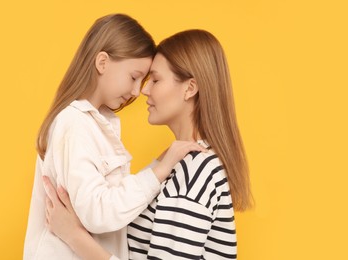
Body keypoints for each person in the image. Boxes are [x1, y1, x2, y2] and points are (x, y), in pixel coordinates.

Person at [43, 29, 253, 259]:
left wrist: (74, 236)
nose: (143, 90)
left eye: (155, 80)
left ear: (189, 88)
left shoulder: (194, 172)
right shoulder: (176, 162)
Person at [24, 14, 205, 260]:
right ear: (102, 62)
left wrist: (158, 165)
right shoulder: (74, 124)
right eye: (134, 77)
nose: (135, 91)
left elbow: (109, 198)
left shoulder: (97, 124)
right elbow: (98, 212)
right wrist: (159, 171)